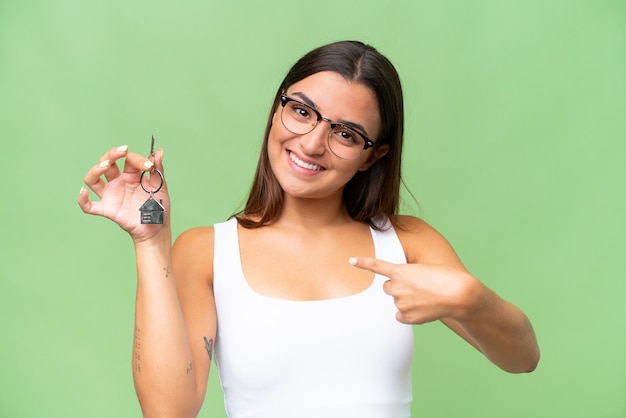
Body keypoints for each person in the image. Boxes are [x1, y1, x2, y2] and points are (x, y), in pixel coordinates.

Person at [78, 40, 539, 418]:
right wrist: (151, 240)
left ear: (372, 155)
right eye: (301, 110)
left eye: (345, 134)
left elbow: (522, 358)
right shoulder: (206, 251)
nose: (313, 143)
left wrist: (472, 298)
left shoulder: (408, 243)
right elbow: (168, 412)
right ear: (276, 109)